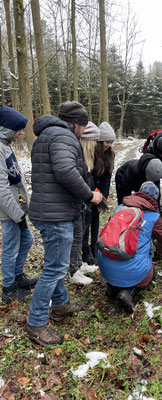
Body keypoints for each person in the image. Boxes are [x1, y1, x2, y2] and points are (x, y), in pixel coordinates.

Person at [24, 101, 102, 346]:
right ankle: (36, 323)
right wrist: (90, 196)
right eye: (83, 126)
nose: (83, 131)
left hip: (45, 210)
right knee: (55, 268)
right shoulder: (65, 138)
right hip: (55, 214)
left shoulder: (45, 136)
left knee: (54, 262)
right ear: (76, 124)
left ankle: (60, 305)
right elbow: (66, 171)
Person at [98, 181, 162, 313]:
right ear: (155, 199)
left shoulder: (120, 208)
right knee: (150, 272)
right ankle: (129, 292)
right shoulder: (154, 216)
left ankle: (112, 286)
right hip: (131, 270)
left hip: (105, 265)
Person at [0, 106, 37, 304]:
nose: (22, 132)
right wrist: (17, 216)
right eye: (19, 129)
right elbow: (2, 190)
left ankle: (18, 277)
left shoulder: (5, 145)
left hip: (17, 209)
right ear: (7, 128)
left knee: (26, 240)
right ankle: (8, 288)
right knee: (10, 247)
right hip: (9, 212)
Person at [69, 121, 101, 285]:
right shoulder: (76, 154)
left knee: (79, 235)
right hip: (75, 204)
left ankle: (79, 264)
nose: (96, 144)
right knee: (75, 237)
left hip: (82, 203)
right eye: (94, 140)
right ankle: (73, 270)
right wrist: (89, 195)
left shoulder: (86, 158)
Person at [82, 121, 116, 265]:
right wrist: (91, 195)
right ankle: (84, 251)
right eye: (107, 142)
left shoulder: (110, 154)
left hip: (99, 193)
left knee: (96, 220)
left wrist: (104, 197)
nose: (109, 145)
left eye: (111, 142)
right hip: (88, 191)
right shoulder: (91, 152)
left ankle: (94, 246)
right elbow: (87, 174)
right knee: (86, 221)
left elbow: (107, 177)